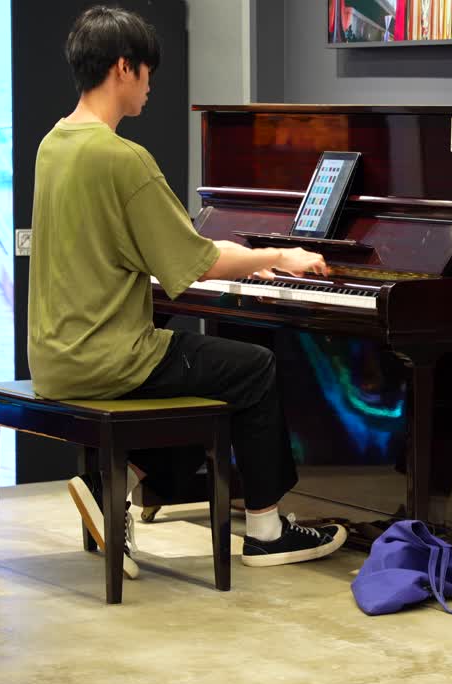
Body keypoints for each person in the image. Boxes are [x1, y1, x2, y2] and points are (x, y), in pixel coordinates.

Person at [29, 5, 347, 579]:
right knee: (253, 368)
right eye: (149, 73)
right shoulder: (123, 158)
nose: (151, 87)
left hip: (57, 356)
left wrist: (240, 266)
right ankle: (269, 531)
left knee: (190, 363)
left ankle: (115, 484)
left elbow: (121, 249)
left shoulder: (55, 144)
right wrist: (278, 255)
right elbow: (195, 260)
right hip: (109, 359)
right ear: (124, 68)